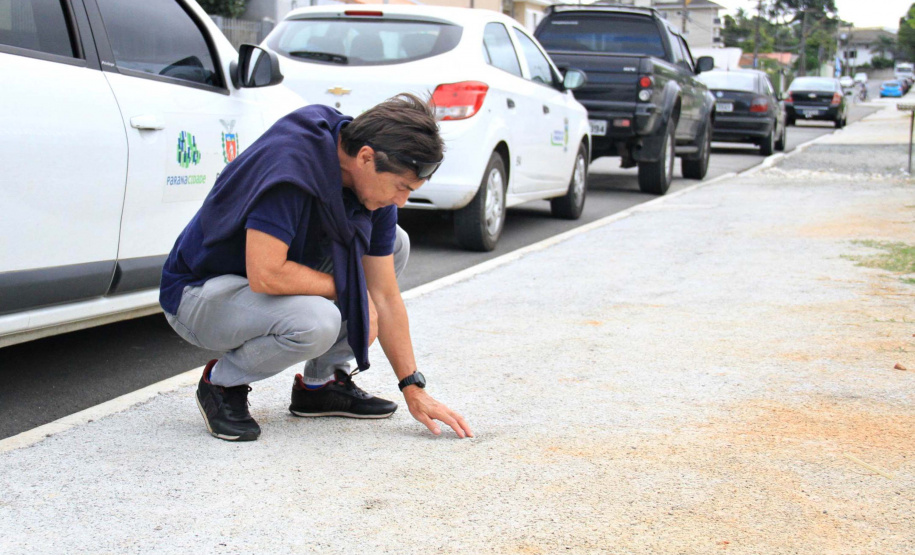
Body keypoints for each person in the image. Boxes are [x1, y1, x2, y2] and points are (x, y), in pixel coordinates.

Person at [159, 93, 473, 442]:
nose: (402, 201)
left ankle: (322, 385)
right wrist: (352, 291)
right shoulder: (293, 164)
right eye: (401, 187)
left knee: (395, 243)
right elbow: (266, 273)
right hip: (199, 295)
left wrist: (413, 388)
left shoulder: (372, 175)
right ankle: (221, 384)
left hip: (255, 286)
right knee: (317, 321)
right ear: (366, 157)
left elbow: (383, 294)